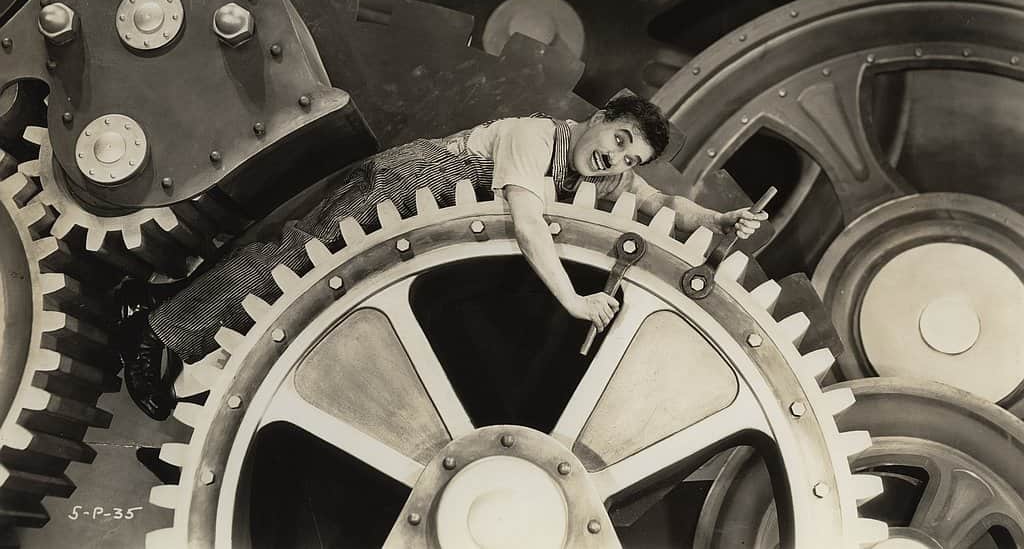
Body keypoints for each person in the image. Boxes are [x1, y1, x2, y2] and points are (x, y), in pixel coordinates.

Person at [119, 96, 766, 419]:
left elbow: (662, 201)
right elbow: (527, 218)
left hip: (421, 219)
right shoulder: (537, 137)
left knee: (296, 289)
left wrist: (717, 218)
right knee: (287, 264)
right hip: (407, 185)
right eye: (618, 140)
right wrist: (572, 297)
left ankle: (164, 315)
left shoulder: (601, 174)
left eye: (629, 157)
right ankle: (153, 335)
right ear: (597, 118)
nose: (616, 160)